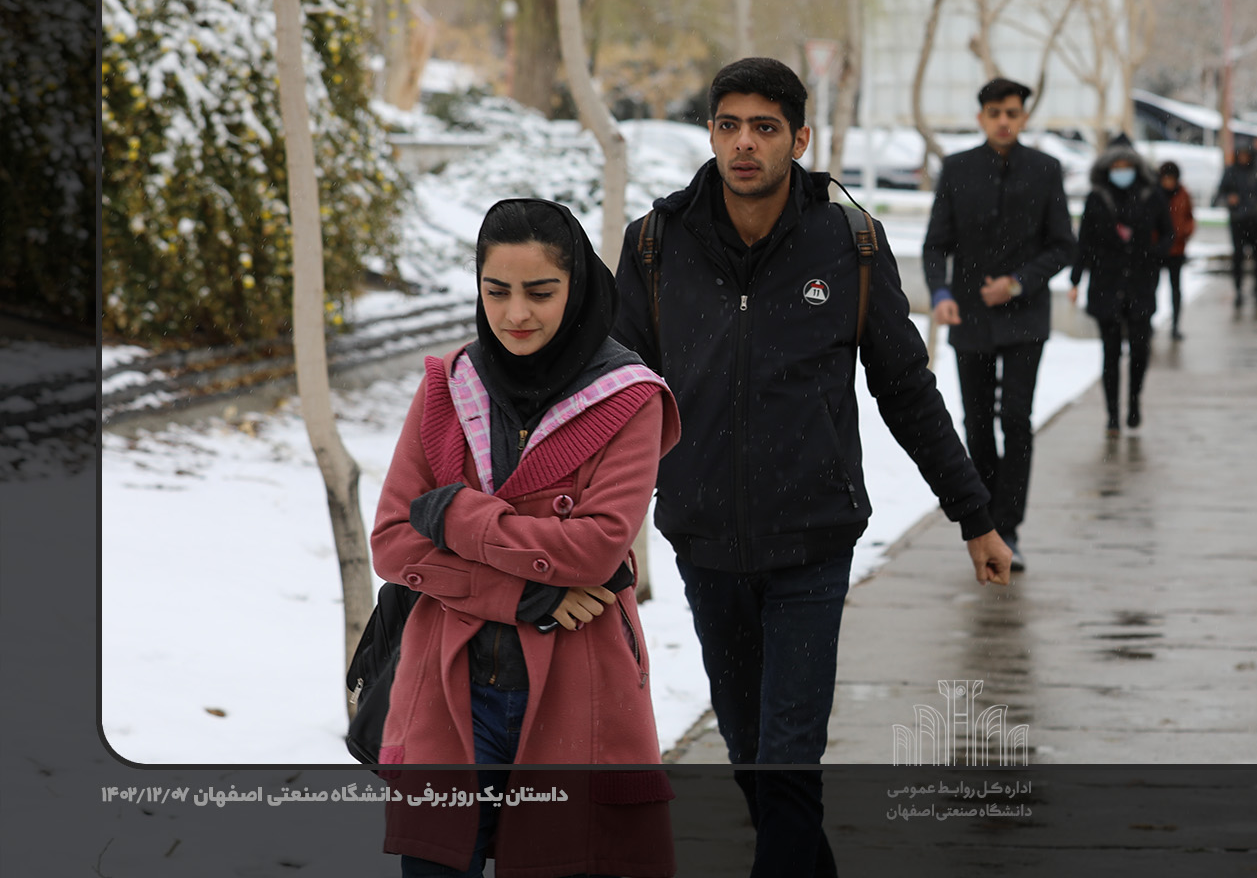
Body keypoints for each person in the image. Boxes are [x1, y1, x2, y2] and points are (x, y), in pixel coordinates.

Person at [612, 58, 1011, 878]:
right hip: (704, 538)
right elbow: (619, 399)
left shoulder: (849, 243)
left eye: (765, 128)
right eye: (729, 125)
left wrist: (973, 513)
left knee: (788, 758)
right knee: (751, 754)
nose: (744, 144)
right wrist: (596, 530)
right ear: (711, 133)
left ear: (799, 138)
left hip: (813, 541)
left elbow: (906, 388)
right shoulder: (656, 243)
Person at [370, 198, 680, 877]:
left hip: (579, 687)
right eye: (496, 291)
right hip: (450, 688)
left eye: (540, 293)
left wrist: (455, 514)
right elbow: (393, 542)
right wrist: (528, 594)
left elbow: (597, 548)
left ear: (577, 287)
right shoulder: (448, 387)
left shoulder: (629, 398)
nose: (515, 314)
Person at [922, 77, 1076, 573]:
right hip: (969, 317)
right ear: (981, 117)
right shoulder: (957, 169)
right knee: (976, 422)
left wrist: (1018, 283)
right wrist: (941, 294)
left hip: (1025, 318)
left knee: (1015, 418)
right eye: (995, 113)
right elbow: (935, 244)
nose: (1004, 121)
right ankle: (985, 519)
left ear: (1024, 117)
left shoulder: (1046, 170)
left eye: (1012, 112)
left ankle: (1009, 527)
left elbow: (1063, 245)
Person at [1070, 147, 1173, 434]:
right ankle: (1113, 414)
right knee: (1110, 352)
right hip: (1106, 283)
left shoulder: (1151, 196)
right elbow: (1085, 241)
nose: (1122, 171)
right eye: (1116, 166)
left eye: (1127, 165)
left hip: (1140, 284)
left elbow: (1168, 231)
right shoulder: (1097, 198)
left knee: (1140, 349)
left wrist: (1155, 255)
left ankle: (1134, 400)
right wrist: (1076, 279)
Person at [1213, 146, 1257, 307]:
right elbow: (1219, 195)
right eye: (1240, 155)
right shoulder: (1231, 172)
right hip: (1238, 221)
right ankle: (1238, 290)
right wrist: (1229, 199)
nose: (1243, 158)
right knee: (1238, 256)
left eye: (1246, 155)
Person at [1156, 161, 1197, 340]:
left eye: (1171, 179)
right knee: (1152, 287)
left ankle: (1175, 325)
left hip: (1177, 249)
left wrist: (1184, 233)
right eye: (1166, 179)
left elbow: (1189, 217)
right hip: (1157, 249)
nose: (1169, 183)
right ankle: (1149, 321)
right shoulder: (1155, 194)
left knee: (1175, 288)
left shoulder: (1183, 194)